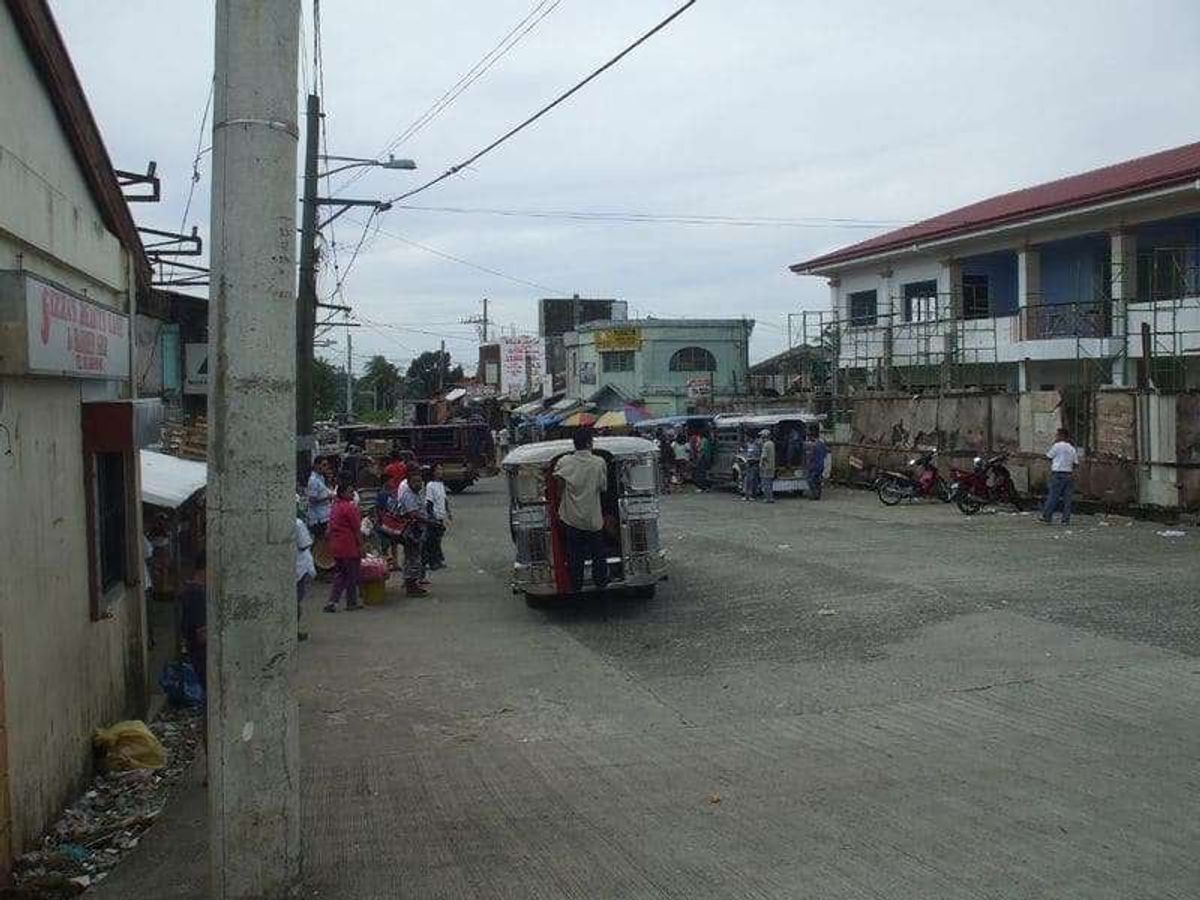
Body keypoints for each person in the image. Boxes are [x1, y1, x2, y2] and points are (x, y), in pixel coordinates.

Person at [553, 428, 609, 594]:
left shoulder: (564, 461)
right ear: (590, 443)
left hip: (571, 518)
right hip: (593, 518)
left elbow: (559, 485)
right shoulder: (599, 462)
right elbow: (603, 487)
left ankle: (576, 585)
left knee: (575, 555)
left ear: (574, 444)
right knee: (598, 554)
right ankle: (601, 584)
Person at [324, 480, 363, 612]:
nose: (353, 494)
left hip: (336, 545)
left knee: (340, 574)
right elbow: (356, 529)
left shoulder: (335, 507)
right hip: (348, 545)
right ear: (343, 493)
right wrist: (361, 546)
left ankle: (333, 601)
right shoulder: (350, 508)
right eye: (350, 492)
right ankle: (351, 602)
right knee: (351, 575)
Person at [396, 467, 432, 595]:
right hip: (411, 531)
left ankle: (410, 582)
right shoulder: (408, 495)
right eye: (415, 481)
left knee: (412, 556)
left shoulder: (416, 494)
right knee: (413, 558)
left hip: (416, 529)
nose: (418, 484)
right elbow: (413, 514)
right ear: (409, 482)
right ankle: (411, 585)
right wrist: (430, 522)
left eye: (420, 481)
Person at [1041, 427, 1080, 525]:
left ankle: (1047, 516)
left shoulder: (1057, 446)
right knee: (1067, 499)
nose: (1056, 436)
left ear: (1061, 435)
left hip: (1058, 473)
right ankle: (1065, 520)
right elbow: (1076, 463)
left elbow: (1049, 456)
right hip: (1069, 474)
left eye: (1057, 435)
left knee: (1053, 496)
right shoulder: (1072, 448)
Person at [424, 462, 451, 570]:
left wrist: (448, 512)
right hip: (434, 517)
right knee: (432, 541)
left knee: (437, 540)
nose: (440, 472)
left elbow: (444, 499)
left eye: (441, 469)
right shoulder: (430, 485)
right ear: (433, 472)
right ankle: (432, 561)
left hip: (440, 515)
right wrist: (431, 517)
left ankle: (437, 560)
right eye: (438, 470)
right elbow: (429, 502)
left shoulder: (441, 484)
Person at [295, 509, 315, 641]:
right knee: (296, 600)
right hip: (299, 565)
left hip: (291, 565)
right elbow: (304, 544)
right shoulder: (298, 523)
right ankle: (293, 631)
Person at [306, 457, 335, 538]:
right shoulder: (313, 480)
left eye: (326, 465)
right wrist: (328, 497)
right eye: (323, 465)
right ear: (316, 465)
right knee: (321, 540)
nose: (326, 467)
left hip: (325, 514)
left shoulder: (321, 478)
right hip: (318, 517)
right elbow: (312, 499)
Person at [806, 427, 828, 500]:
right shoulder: (821, 444)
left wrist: (808, 464)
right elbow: (825, 454)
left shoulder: (813, 446)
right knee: (818, 480)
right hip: (821, 465)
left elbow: (811, 456)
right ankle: (818, 495)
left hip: (814, 466)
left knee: (811, 480)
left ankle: (814, 495)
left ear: (811, 437)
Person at [742, 432, 762, 500]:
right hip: (748, 463)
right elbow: (745, 453)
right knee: (747, 479)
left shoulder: (757, 444)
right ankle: (746, 494)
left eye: (748, 437)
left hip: (755, 463)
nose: (747, 439)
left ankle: (752, 495)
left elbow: (759, 454)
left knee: (753, 479)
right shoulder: (748, 444)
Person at [759, 429, 777, 503]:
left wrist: (761, 465)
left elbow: (764, 456)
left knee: (765, 483)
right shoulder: (772, 443)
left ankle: (767, 498)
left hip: (766, 467)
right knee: (770, 483)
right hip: (771, 465)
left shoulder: (765, 445)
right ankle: (771, 497)